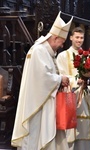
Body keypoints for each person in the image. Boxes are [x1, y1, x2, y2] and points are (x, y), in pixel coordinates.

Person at [11, 11, 73, 150]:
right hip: (37, 105)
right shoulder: (39, 51)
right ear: (55, 37)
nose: (62, 46)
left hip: (43, 101)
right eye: (62, 42)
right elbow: (42, 78)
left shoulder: (46, 52)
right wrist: (60, 79)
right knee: (36, 137)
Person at [56, 27, 90, 150]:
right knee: (70, 131)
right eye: (77, 37)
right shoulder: (63, 56)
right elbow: (61, 76)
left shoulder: (88, 56)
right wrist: (76, 81)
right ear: (71, 38)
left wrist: (87, 82)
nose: (79, 40)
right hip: (70, 96)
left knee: (85, 130)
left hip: (84, 97)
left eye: (81, 38)